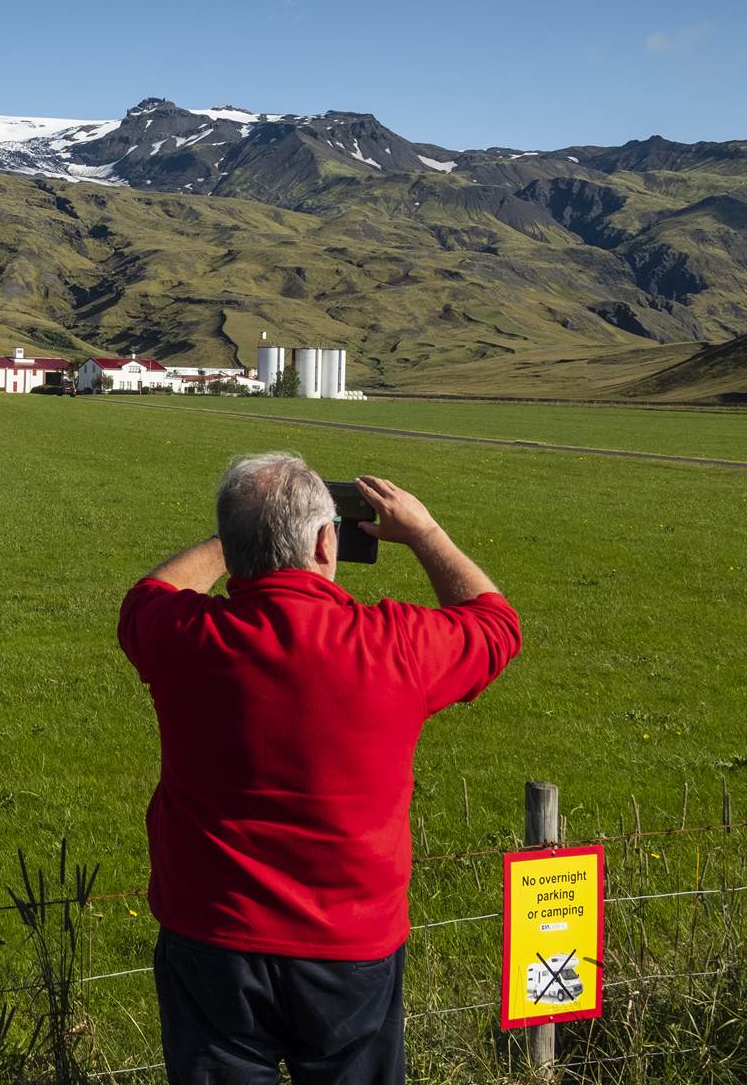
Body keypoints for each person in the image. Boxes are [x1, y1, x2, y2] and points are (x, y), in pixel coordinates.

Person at [117, 454, 522, 1085]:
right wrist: (424, 532)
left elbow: (147, 596)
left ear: (236, 545)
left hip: (213, 935)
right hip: (350, 949)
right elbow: (496, 624)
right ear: (326, 540)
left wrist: (240, 538)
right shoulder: (396, 645)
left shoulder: (186, 638)